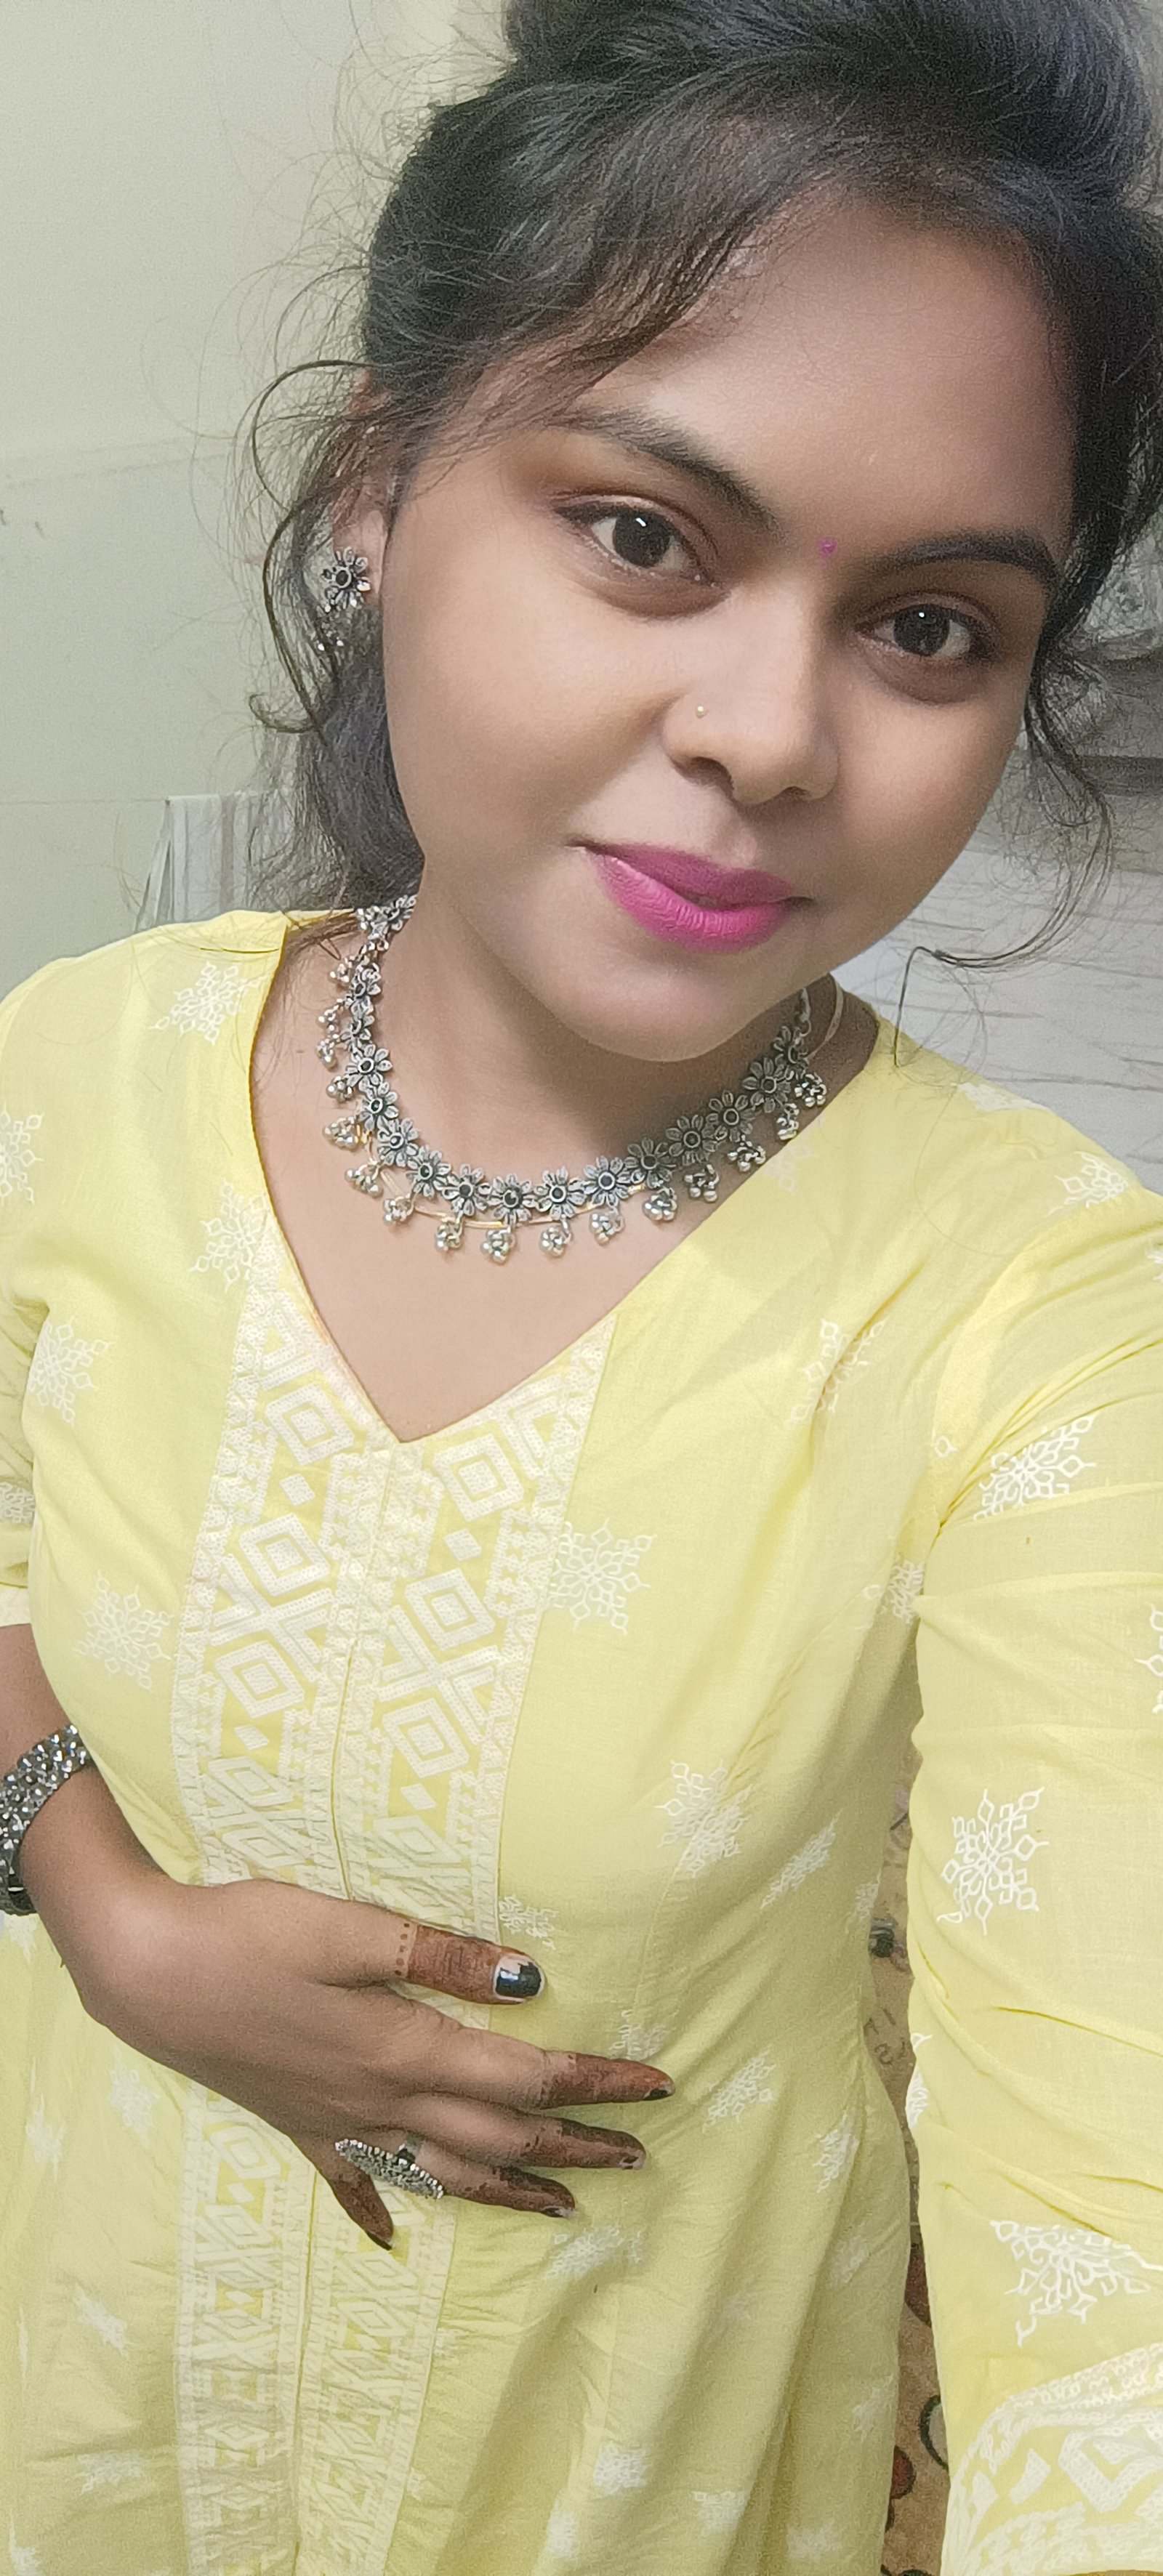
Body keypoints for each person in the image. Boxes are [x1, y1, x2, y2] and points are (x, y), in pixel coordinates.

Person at [2, 0, 1163, 2567]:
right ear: (375, 480)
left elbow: (1116, 2221)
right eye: (648, 534)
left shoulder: (1043, 1321)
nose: (772, 734)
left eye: (931, 626)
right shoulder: (79, 1070)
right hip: (86, 2398)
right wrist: (98, 1905)